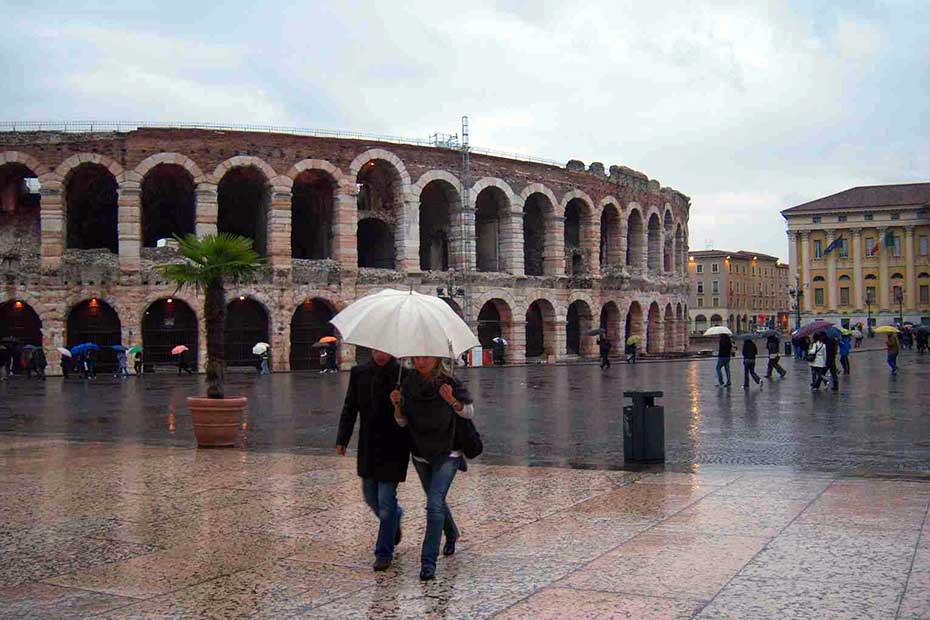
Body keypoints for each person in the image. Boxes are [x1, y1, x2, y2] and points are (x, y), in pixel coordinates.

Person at [391, 356, 473, 582]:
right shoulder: (407, 383)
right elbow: (401, 422)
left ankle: (428, 562)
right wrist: (397, 405)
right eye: (416, 358)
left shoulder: (450, 382)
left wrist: (452, 400)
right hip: (420, 452)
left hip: (448, 451)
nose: (420, 361)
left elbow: (468, 412)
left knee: (434, 504)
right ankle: (452, 533)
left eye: (425, 357)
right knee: (436, 500)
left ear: (436, 358)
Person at [336, 350, 410, 572]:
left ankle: (383, 553)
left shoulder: (403, 376)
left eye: (384, 350)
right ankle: (395, 519)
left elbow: (411, 414)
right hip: (368, 445)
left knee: (386, 502)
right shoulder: (360, 373)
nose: (380, 354)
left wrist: (399, 403)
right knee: (370, 496)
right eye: (376, 349)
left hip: (394, 446)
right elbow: (350, 407)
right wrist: (342, 439)